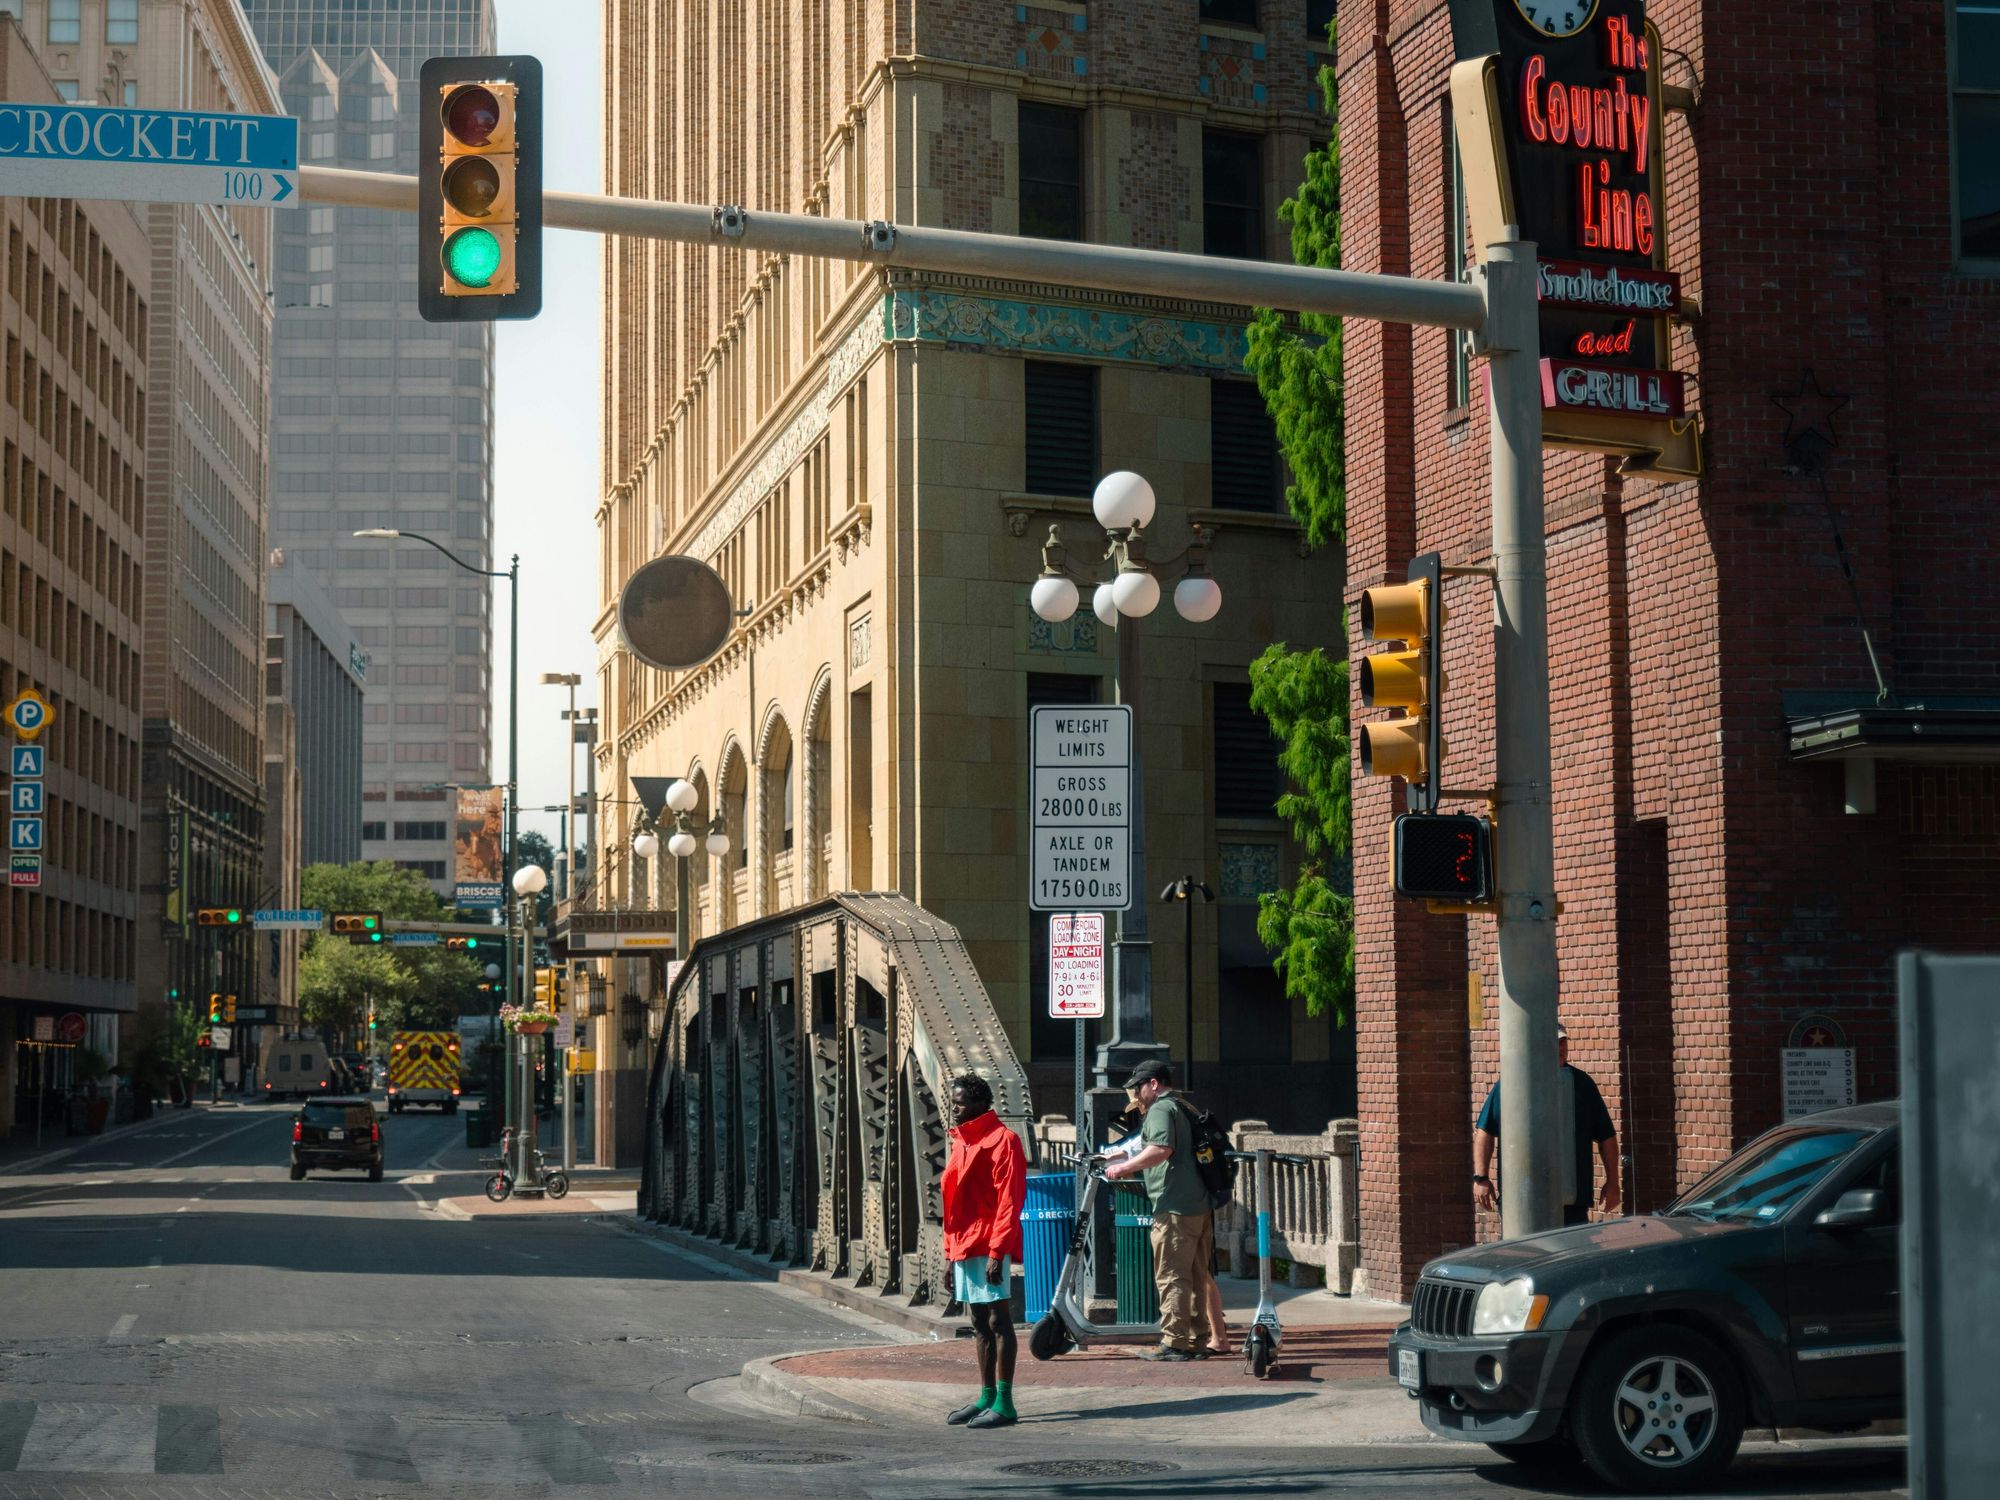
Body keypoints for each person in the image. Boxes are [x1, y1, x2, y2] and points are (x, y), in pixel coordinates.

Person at [1104, 1059, 1214, 1361]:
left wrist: (1124, 1167)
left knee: (1172, 1275)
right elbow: (1150, 1143)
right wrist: (1122, 1154)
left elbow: (1160, 1149)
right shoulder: (1182, 1106)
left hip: (1174, 1205)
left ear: (1154, 1083)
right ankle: (1195, 1341)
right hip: (1198, 1203)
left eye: (1139, 1087)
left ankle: (1174, 1343)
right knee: (1194, 1274)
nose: (1137, 1095)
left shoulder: (1161, 1109)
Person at [940, 1073, 1027, 1429]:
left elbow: (1010, 1200)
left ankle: (1005, 1403)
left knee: (998, 1320)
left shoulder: (1004, 1141)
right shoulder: (962, 1141)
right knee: (978, 1321)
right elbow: (952, 1203)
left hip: (989, 1241)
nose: (953, 1108)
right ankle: (986, 1396)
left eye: (959, 1102)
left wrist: (997, 1250)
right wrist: (949, 1254)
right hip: (964, 1242)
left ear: (978, 1104)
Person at [1472, 1023, 1620, 1226]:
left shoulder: (1583, 1084)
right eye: (1553, 1043)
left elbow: (1606, 1137)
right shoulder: (1514, 1082)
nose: (1560, 1048)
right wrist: (1481, 1178)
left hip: (1571, 1202)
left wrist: (1613, 1182)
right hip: (1521, 1202)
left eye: (1563, 1042)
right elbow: (1485, 1131)